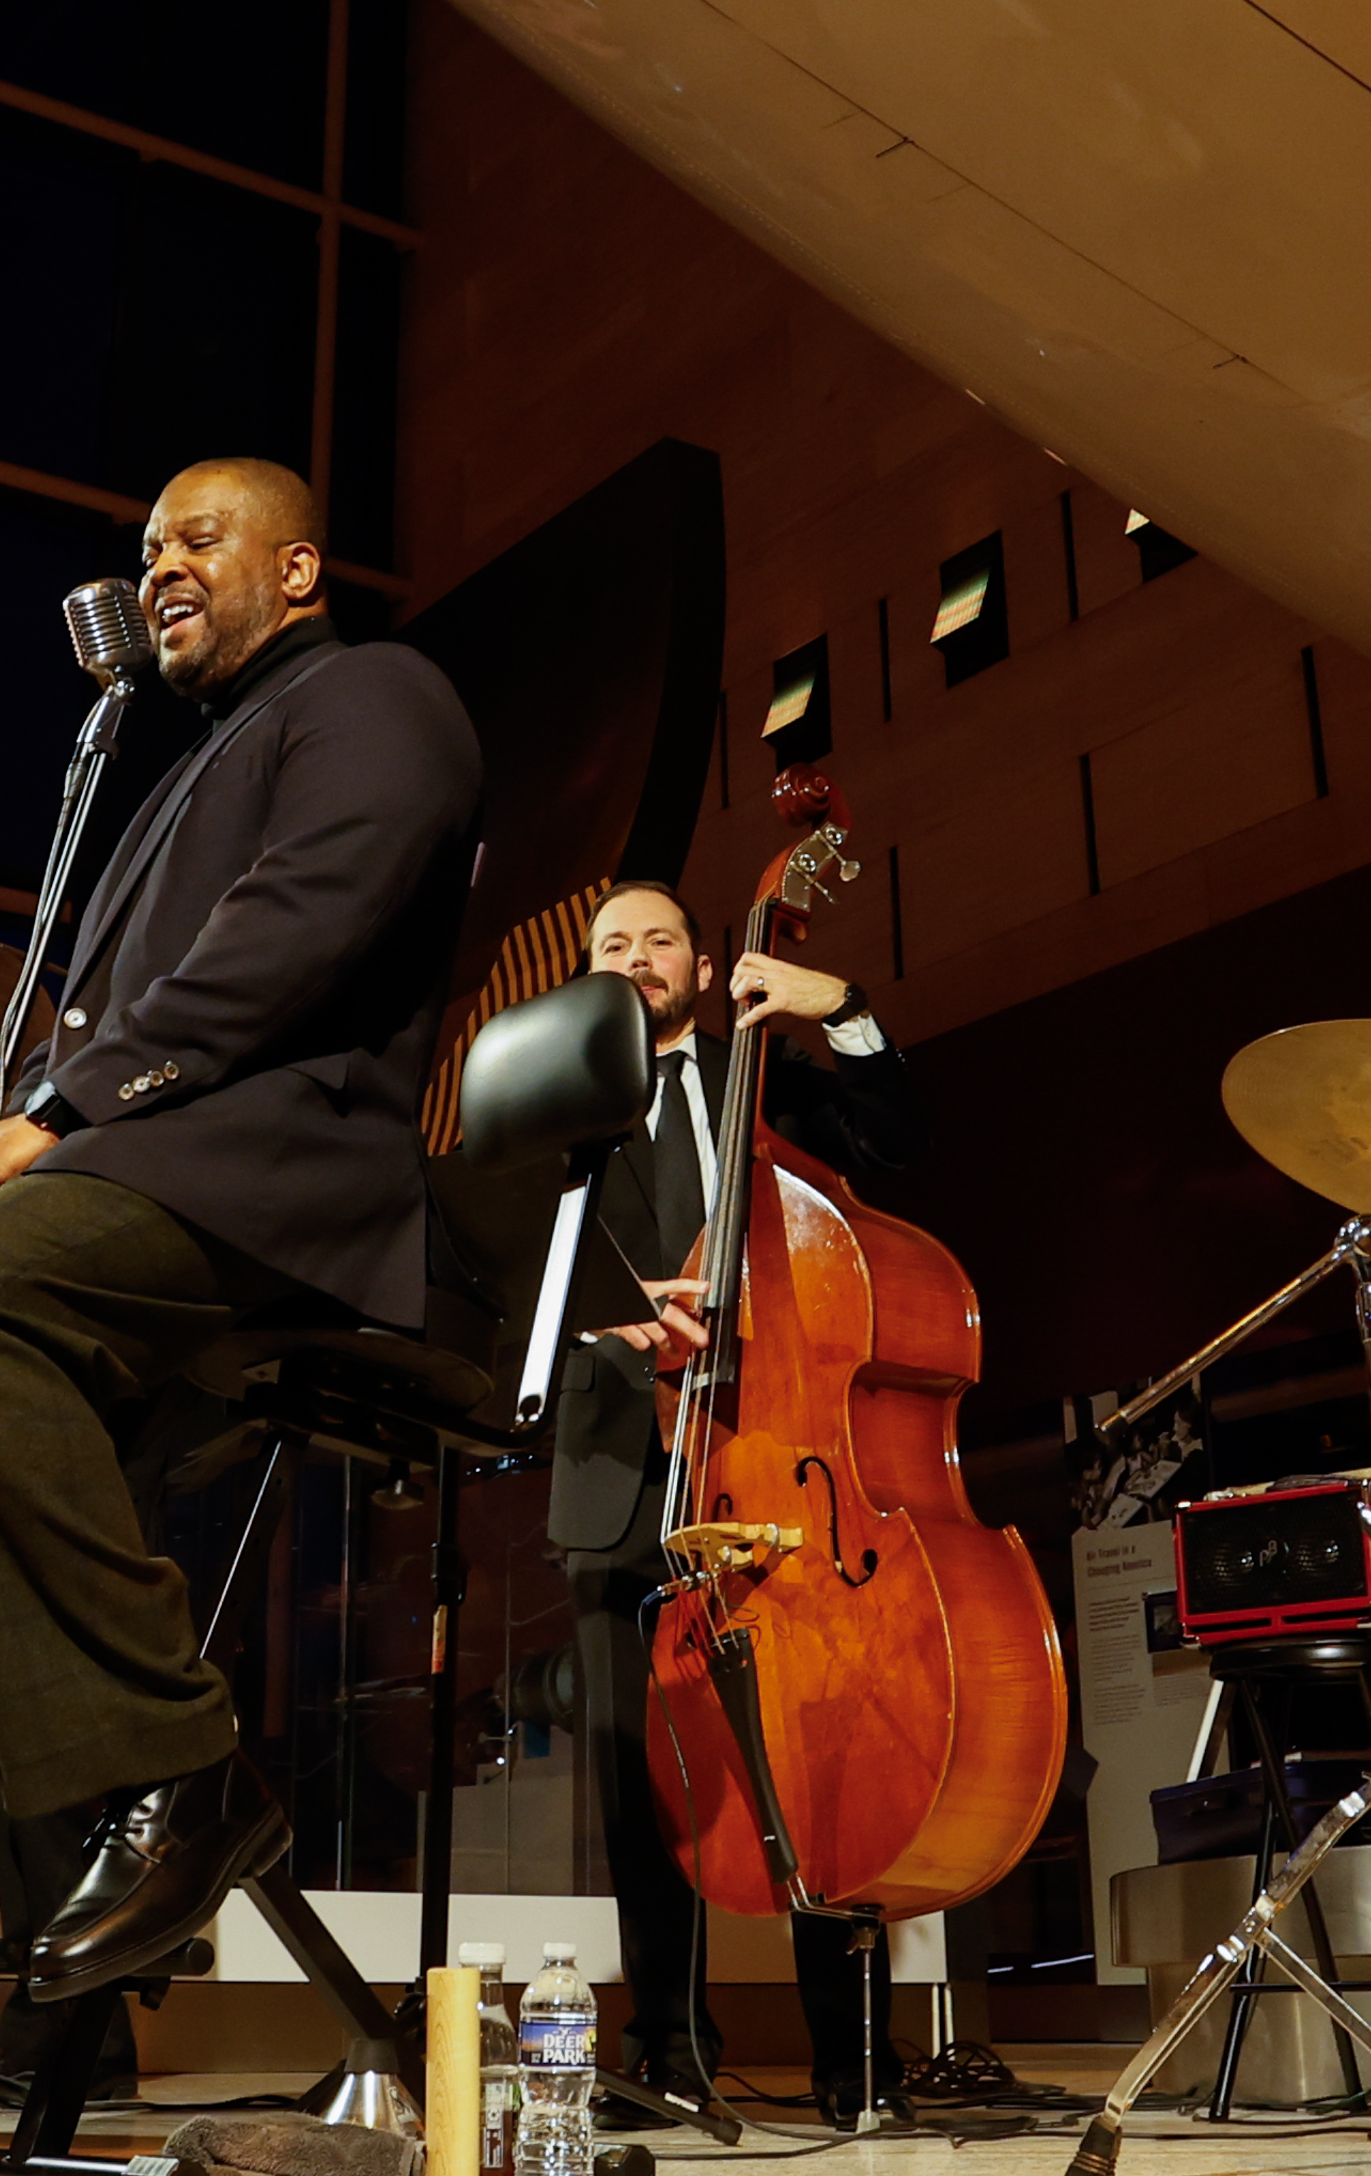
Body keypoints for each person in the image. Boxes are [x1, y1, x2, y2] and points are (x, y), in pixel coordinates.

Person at [0, 456, 484, 2021]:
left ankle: (179, 1775)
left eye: (200, 537)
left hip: (273, 1184)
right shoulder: (176, 757)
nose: (162, 565)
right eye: (149, 546)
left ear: (302, 567)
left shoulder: (380, 692)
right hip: (159, 1171)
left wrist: (61, 1110)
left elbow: (301, 924)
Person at [546, 879, 928, 2126]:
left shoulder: (761, 1073)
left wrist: (849, 1013)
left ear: (706, 968)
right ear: (588, 972)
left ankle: (853, 2059)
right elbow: (511, 1295)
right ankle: (663, 2049)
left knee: (811, 1750)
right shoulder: (555, 1104)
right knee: (636, 1779)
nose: (638, 956)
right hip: (619, 1465)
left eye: (660, 938)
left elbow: (896, 1147)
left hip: (778, 1464)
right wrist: (611, 1321)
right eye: (613, 943)